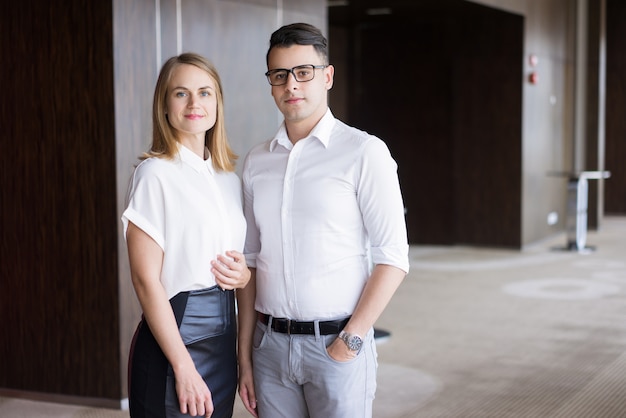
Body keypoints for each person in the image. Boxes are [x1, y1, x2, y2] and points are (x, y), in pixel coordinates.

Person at [237, 23, 410, 418]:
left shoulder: (364, 152)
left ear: (327, 76)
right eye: (279, 75)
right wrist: (246, 354)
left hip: (337, 344)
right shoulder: (256, 162)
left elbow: (394, 257)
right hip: (270, 347)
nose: (291, 85)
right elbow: (249, 261)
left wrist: (350, 340)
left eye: (303, 72)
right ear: (271, 84)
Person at [122, 52, 250, 418]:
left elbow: (242, 264)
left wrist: (244, 275)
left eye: (205, 92)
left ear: (217, 103)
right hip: (175, 341)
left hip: (224, 337)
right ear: (164, 105)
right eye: (181, 93)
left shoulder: (229, 179)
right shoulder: (154, 174)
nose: (195, 103)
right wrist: (182, 366)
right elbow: (145, 281)